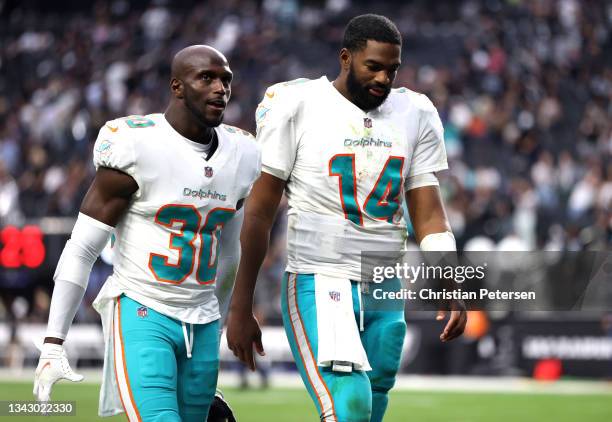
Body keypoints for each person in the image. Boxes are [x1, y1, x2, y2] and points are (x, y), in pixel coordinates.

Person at [226, 14, 467, 422]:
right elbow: (260, 210)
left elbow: (428, 211)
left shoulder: (415, 111)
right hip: (320, 276)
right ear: (345, 58)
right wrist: (241, 302)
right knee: (349, 406)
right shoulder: (297, 104)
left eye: (392, 69)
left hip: (385, 283)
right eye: (372, 66)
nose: (383, 78)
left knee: (371, 408)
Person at [33, 45, 259, 422]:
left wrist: (219, 320)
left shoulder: (244, 152)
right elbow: (82, 249)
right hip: (143, 309)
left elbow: (230, 252)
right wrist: (54, 342)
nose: (221, 88)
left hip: (202, 321)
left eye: (226, 79)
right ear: (177, 87)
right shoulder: (136, 144)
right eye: (207, 78)